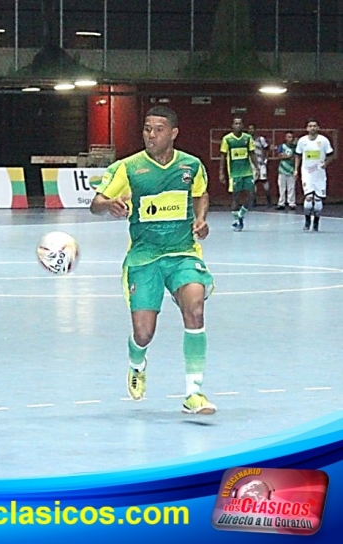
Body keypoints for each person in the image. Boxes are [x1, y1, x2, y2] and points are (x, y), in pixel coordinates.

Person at [89, 106, 216, 415]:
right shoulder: (128, 168)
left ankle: (194, 393)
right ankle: (137, 363)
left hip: (183, 253)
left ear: (173, 133)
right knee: (144, 333)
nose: (151, 135)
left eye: (158, 129)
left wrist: (200, 218)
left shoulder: (191, 166)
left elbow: (201, 194)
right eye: (147, 129)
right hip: (144, 258)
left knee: (195, 309)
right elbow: (95, 204)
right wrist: (110, 205)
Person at [294, 118, 334, 232]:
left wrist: (325, 164)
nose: (312, 128)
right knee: (308, 198)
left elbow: (331, 154)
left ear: (318, 128)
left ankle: (316, 222)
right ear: (307, 128)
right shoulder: (302, 141)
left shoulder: (324, 140)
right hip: (307, 172)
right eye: (310, 126)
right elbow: (298, 155)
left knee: (317, 200)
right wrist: (296, 170)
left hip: (319, 174)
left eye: (314, 126)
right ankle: (307, 222)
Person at [219, 117, 258, 231]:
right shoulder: (227, 139)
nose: (238, 125)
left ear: (243, 125)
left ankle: (241, 213)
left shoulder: (247, 138)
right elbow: (222, 156)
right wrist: (221, 172)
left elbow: (252, 153)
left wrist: (257, 167)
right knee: (235, 197)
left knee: (251, 194)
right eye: (235, 123)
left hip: (247, 172)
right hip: (234, 173)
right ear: (232, 125)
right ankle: (237, 220)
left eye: (240, 123)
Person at [247, 123, 271, 207]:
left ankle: (269, 201)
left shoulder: (260, 139)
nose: (251, 130)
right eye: (249, 129)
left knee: (264, 181)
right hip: (251, 165)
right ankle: (253, 201)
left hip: (261, 164)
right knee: (253, 183)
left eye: (252, 128)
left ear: (255, 130)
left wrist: (266, 159)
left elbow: (267, 148)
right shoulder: (246, 140)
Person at [273, 131, 297, 210]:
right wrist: (288, 157)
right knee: (281, 188)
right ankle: (281, 203)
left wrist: (287, 156)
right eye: (289, 137)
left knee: (291, 188)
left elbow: (295, 158)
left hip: (291, 170)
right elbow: (279, 156)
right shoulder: (282, 146)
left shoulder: (295, 147)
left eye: (292, 137)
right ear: (286, 138)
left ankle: (291, 203)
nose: (290, 139)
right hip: (282, 170)